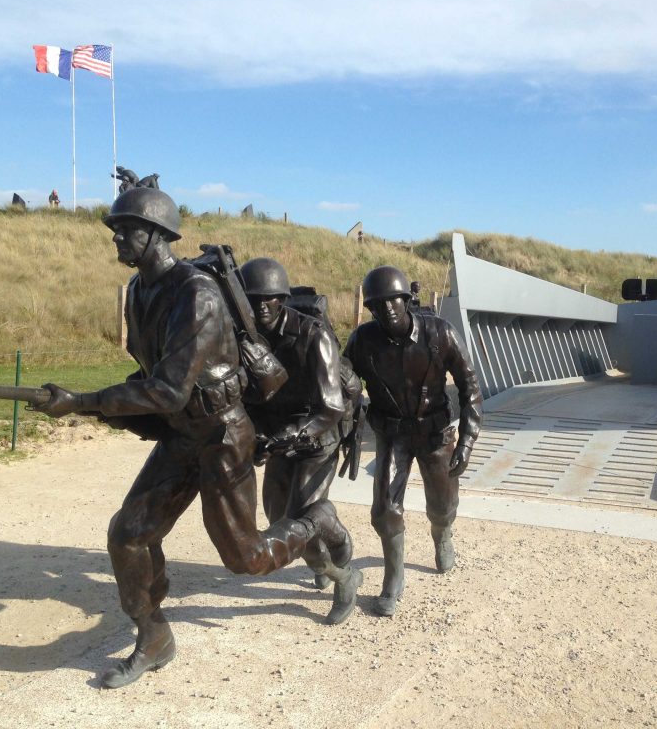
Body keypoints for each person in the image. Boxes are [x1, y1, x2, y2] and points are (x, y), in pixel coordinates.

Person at [34, 188, 359, 689]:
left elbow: (165, 388)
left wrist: (83, 401)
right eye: (115, 228)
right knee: (129, 534)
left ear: (158, 235)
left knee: (245, 558)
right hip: (181, 432)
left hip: (222, 435)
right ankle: (153, 636)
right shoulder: (141, 291)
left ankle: (318, 519)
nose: (117, 237)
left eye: (127, 229)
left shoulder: (197, 294)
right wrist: (99, 408)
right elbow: (149, 372)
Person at [343, 265, 483, 617]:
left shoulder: (440, 333)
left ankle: (443, 534)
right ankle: (394, 577)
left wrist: (466, 441)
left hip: (435, 433)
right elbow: (343, 382)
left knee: (442, 504)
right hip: (391, 434)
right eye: (378, 304)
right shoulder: (363, 341)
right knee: (385, 510)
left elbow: (470, 387)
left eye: (393, 301)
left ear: (406, 299)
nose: (387, 309)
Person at [239, 257, 362, 608]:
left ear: (283, 298)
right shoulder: (247, 338)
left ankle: (345, 574)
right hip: (278, 437)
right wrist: (258, 439)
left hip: (317, 435)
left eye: (270, 297)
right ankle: (325, 538)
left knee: (295, 527)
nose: (262, 305)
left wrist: (290, 436)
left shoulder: (313, 335)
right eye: (254, 298)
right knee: (278, 518)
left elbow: (332, 407)